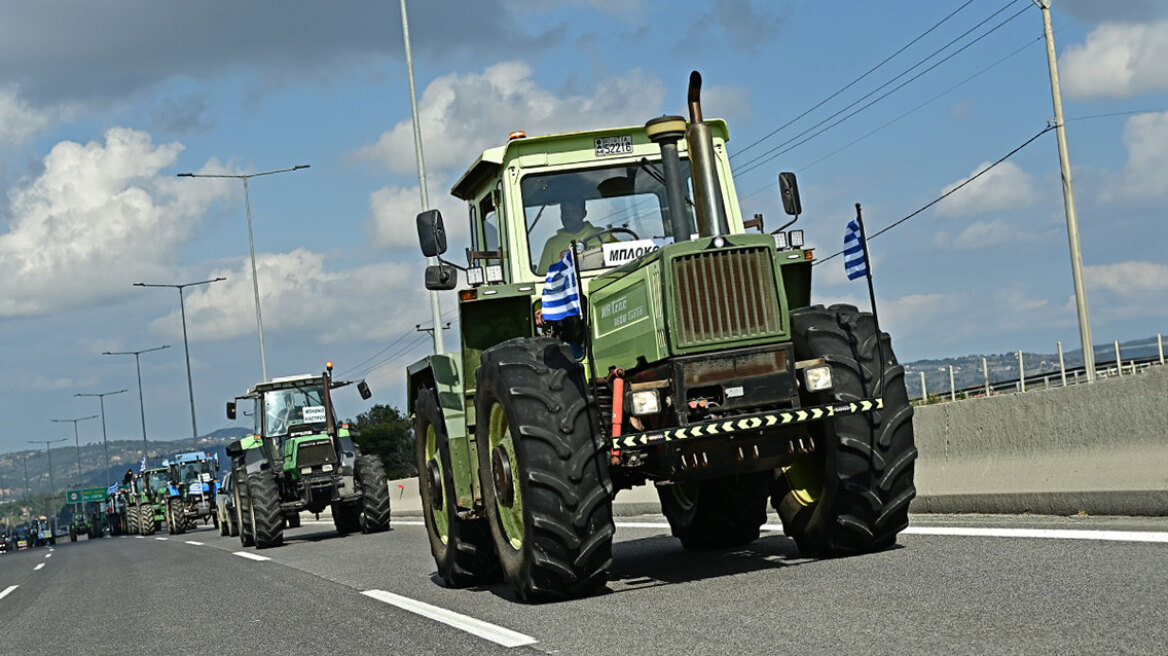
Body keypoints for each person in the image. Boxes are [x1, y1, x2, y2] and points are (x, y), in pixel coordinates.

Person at [536, 199, 615, 273]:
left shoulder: (604, 235)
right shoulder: (552, 244)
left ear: (584, 214)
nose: (568, 216)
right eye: (565, 211)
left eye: (574, 211)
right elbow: (543, 277)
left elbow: (619, 267)